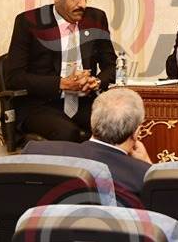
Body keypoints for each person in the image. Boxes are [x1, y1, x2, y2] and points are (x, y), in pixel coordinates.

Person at [4, 0, 117, 142]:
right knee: (67, 132)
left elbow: (111, 66)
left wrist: (96, 82)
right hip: (41, 105)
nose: (82, 4)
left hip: (84, 102)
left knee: (117, 125)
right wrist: (62, 83)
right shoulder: (29, 22)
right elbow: (14, 77)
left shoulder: (95, 18)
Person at [22, 88, 153, 206]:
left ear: (92, 121)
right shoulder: (143, 176)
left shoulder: (36, 152)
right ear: (136, 132)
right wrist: (149, 166)